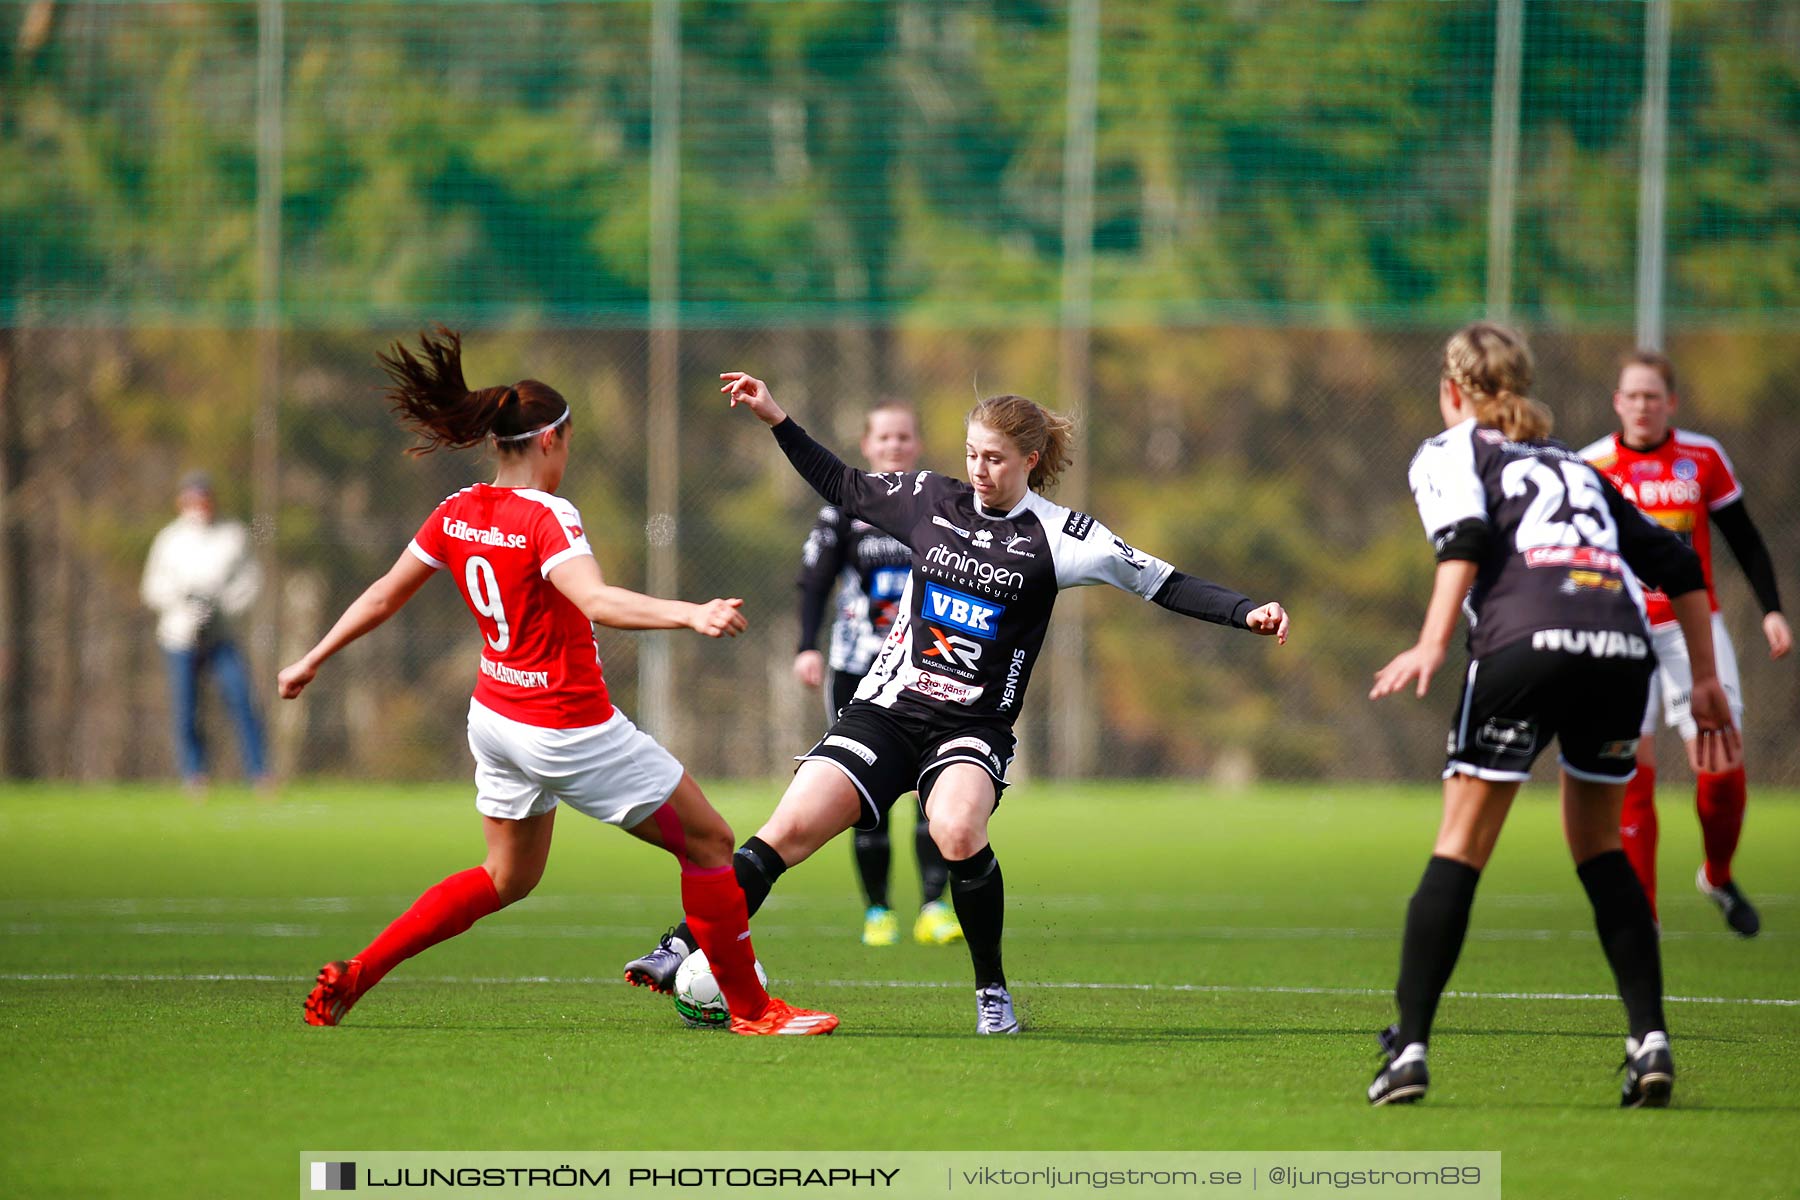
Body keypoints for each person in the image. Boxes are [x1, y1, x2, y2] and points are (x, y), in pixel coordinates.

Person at [624, 371, 1289, 1033]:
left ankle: (992, 995)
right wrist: (776, 418)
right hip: (886, 711)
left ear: (1030, 460)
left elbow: (1161, 580)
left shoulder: (1063, 537)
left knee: (957, 830)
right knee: (790, 827)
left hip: (970, 727)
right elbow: (844, 484)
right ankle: (679, 944)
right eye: (972, 454)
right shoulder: (928, 499)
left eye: (995, 458)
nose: (979, 469)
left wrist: (1244, 610)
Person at [277, 328, 836, 1036]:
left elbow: (385, 593)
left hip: (496, 721)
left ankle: (357, 974)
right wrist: (691, 613)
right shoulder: (548, 517)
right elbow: (597, 601)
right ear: (549, 442)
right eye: (568, 443)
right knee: (711, 843)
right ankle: (754, 1012)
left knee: (506, 878)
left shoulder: (459, 509)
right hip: (566, 726)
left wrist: (312, 657)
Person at [1368, 322, 1740, 1109]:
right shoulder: (1573, 460)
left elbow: (1465, 537)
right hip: (1619, 650)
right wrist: (1704, 680)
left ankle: (1409, 1052)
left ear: (1452, 391)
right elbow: (1676, 564)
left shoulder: (1451, 448)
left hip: (1525, 644)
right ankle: (1650, 1041)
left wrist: (1433, 641)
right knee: (1601, 847)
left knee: (1461, 846)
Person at [1579, 352, 1789, 937]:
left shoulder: (1702, 457)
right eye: (1632, 396)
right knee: (1631, 772)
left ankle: (1717, 875)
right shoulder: (1591, 463)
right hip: (1618, 631)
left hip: (1690, 629)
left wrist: (1772, 610)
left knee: (1722, 771)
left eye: (1653, 396)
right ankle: (1642, 915)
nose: (1642, 406)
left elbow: (1743, 538)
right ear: (1616, 402)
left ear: (1670, 402)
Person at [793, 401, 961, 948]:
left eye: (904, 437)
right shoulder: (841, 511)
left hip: (924, 663)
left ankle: (935, 906)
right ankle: (877, 911)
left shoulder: (934, 506)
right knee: (860, 787)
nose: (894, 446)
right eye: (884, 437)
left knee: (928, 788)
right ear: (867, 446)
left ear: (916, 445)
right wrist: (805, 646)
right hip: (858, 667)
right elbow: (814, 582)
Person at [140, 471, 269, 793]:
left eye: (204, 498)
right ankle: (195, 775)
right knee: (186, 709)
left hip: (221, 636)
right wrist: (184, 602)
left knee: (241, 701)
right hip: (179, 637)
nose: (199, 505)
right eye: (192, 499)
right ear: (181, 502)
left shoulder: (233, 535)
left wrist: (221, 605)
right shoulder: (169, 539)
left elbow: (251, 582)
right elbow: (152, 588)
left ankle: (260, 774)